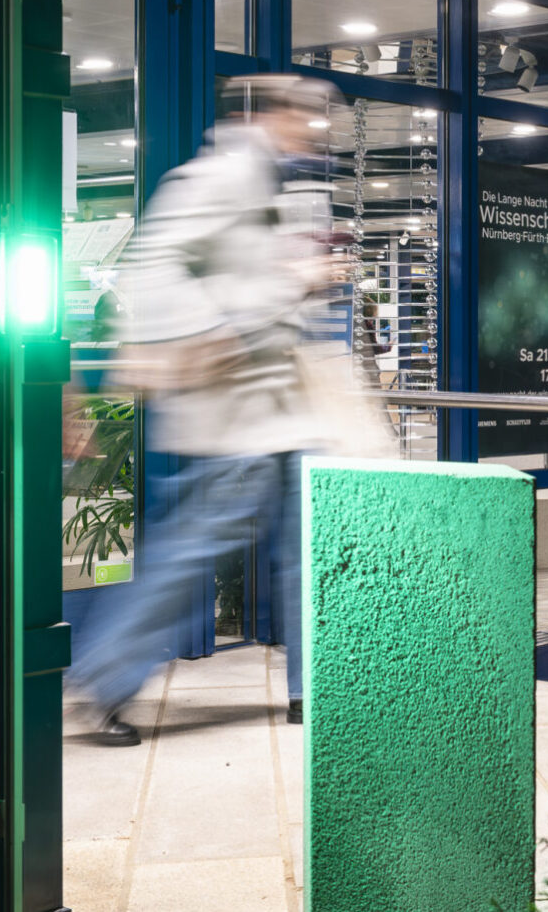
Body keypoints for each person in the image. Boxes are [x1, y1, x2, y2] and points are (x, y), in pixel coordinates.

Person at [69, 75, 343, 744]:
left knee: (308, 554)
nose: (314, 131)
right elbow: (151, 263)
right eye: (306, 117)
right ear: (271, 116)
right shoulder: (219, 176)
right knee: (187, 555)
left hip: (280, 410)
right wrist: (216, 329)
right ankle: (104, 680)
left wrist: (300, 281)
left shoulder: (271, 187)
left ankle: (316, 690)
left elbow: (254, 283)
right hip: (232, 412)